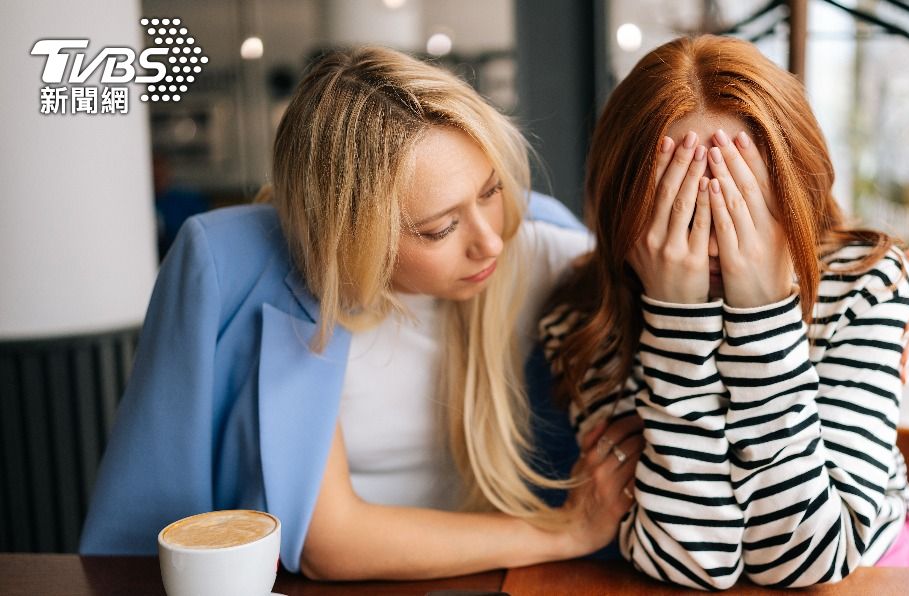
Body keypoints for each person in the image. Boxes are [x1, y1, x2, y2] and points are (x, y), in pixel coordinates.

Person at [80, 46, 644, 580]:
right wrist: (561, 533)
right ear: (352, 236)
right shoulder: (229, 261)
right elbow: (328, 540)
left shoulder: (538, 242)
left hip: (507, 578)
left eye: (492, 190)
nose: (489, 242)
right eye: (439, 228)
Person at [541, 34, 909, 590]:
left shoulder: (867, 286)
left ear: (800, 188)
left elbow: (809, 563)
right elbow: (694, 562)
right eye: (679, 206)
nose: (716, 241)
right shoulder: (585, 320)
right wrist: (676, 322)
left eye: (743, 199)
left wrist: (763, 315)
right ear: (621, 206)